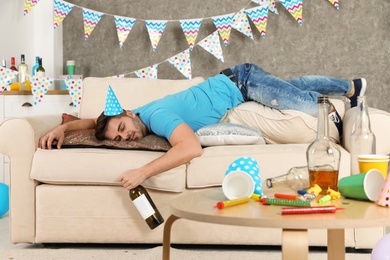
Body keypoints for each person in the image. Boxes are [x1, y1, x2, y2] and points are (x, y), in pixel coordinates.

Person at [39, 63, 366, 190]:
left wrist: (143, 172)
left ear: (127, 112)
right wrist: (64, 129)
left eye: (123, 127)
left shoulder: (156, 117)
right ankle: (350, 85)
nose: (128, 136)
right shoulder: (139, 113)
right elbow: (94, 120)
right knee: (294, 85)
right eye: (121, 137)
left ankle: (341, 103)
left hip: (243, 82)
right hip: (236, 84)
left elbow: (191, 147)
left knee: (307, 104)